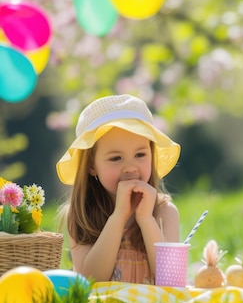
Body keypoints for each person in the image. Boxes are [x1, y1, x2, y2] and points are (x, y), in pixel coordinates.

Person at [56, 94, 181, 284]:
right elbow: (90, 279)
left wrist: (146, 219)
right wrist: (119, 216)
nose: (130, 167)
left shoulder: (165, 212)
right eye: (116, 158)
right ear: (91, 166)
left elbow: (171, 280)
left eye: (140, 154)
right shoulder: (81, 215)